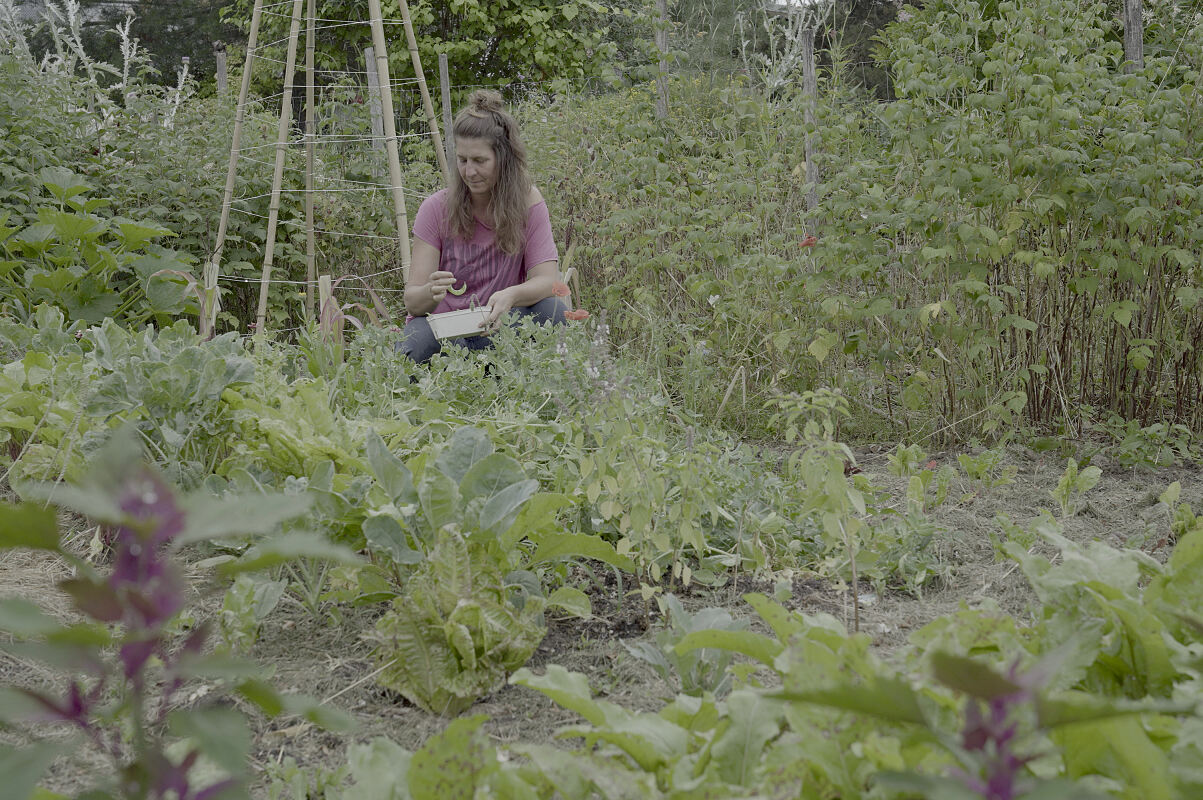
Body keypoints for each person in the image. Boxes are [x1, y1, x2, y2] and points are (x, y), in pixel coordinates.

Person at [398, 90, 564, 363]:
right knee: (412, 346)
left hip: (501, 328)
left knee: (552, 310)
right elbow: (413, 303)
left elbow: (548, 281)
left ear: (504, 158)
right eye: (462, 160)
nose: (469, 172)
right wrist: (430, 292)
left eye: (480, 161)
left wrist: (512, 295)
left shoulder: (528, 202)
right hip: (446, 332)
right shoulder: (435, 208)